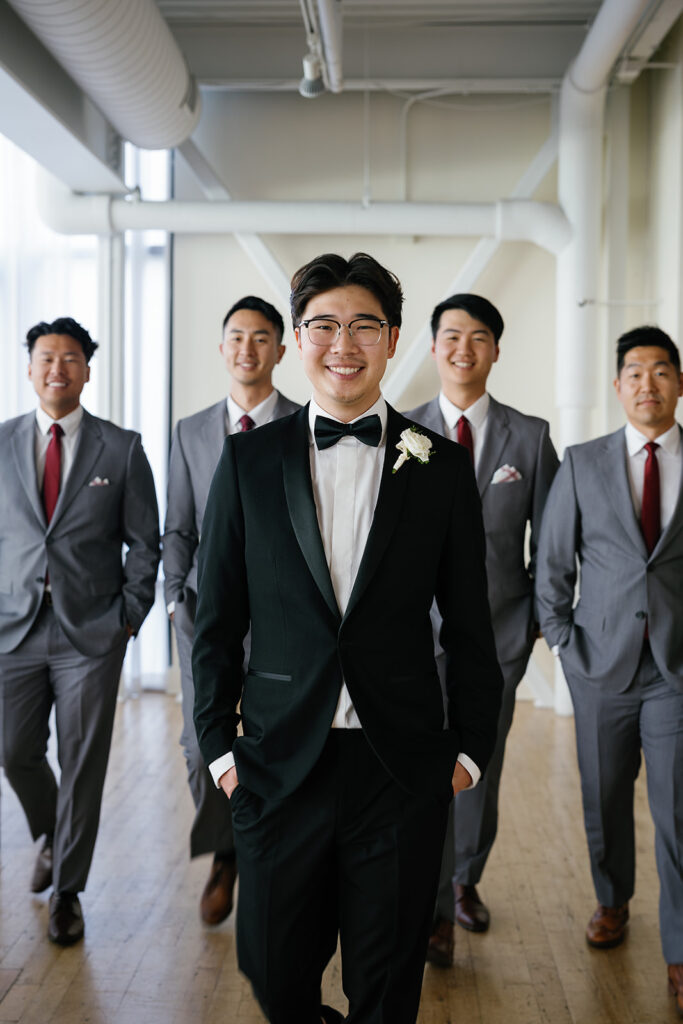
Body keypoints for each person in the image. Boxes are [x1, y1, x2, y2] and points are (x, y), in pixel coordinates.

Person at [192, 252, 503, 1024]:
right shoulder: (245, 461)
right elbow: (217, 620)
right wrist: (220, 752)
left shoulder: (440, 467)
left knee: (387, 984)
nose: (344, 343)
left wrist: (464, 754)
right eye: (324, 324)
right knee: (272, 970)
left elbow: (470, 625)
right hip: (275, 764)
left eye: (364, 325)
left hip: (396, 767)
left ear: (393, 340)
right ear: (298, 339)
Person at [407, 294, 559, 965]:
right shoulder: (397, 431)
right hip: (411, 637)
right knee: (418, 768)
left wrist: (530, 623)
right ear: (432, 347)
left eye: (477, 338)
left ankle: (463, 880)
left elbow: (550, 544)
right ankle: (430, 902)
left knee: (476, 768)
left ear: (494, 350)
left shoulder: (528, 437)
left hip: (498, 637)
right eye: (450, 337)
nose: (462, 349)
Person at [536, 326, 683, 1015]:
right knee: (603, 799)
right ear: (617, 386)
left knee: (676, 810)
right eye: (634, 373)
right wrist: (565, 644)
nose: (646, 384)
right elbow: (552, 564)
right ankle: (611, 900)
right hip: (598, 664)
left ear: (677, 383)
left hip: (675, 671)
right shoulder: (583, 462)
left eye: (660, 372)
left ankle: (680, 951)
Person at [0, 317, 159, 945]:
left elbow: (144, 544)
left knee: (83, 760)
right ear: (30, 367)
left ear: (87, 369)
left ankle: (68, 891)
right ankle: (50, 829)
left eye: (70, 358)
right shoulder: (3, 442)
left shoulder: (119, 448)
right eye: (46, 357)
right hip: (12, 628)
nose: (57, 368)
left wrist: (128, 616)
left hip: (91, 634)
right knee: (13, 751)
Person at [162, 295, 299, 925]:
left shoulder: (303, 426)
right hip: (202, 618)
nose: (248, 349)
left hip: (281, 620)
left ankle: (261, 856)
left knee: (275, 743)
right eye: (237, 337)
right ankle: (225, 854)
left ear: (282, 347)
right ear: (223, 349)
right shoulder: (190, 431)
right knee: (201, 748)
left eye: (261, 337)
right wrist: (172, 599)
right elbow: (178, 528)